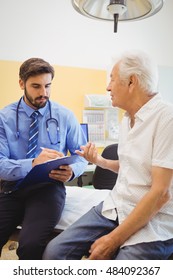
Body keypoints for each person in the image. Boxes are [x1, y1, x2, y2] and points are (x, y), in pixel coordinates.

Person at [43, 50, 173, 260]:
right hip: (117, 205)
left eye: (112, 79)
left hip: (154, 219)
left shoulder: (167, 118)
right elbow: (132, 166)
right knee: (54, 252)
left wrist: (113, 239)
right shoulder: (126, 119)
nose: (108, 87)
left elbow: (161, 193)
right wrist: (99, 161)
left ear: (131, 82)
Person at [0, 58, 88, 260]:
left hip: (47, 189)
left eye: (48, 86)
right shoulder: (3, 118)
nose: (43, 93)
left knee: (30, 246)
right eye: (36, 86)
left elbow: (82, 156)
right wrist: (32, 163)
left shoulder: (65, 116)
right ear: (22, 84)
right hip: (12, 189)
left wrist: (72, 171)